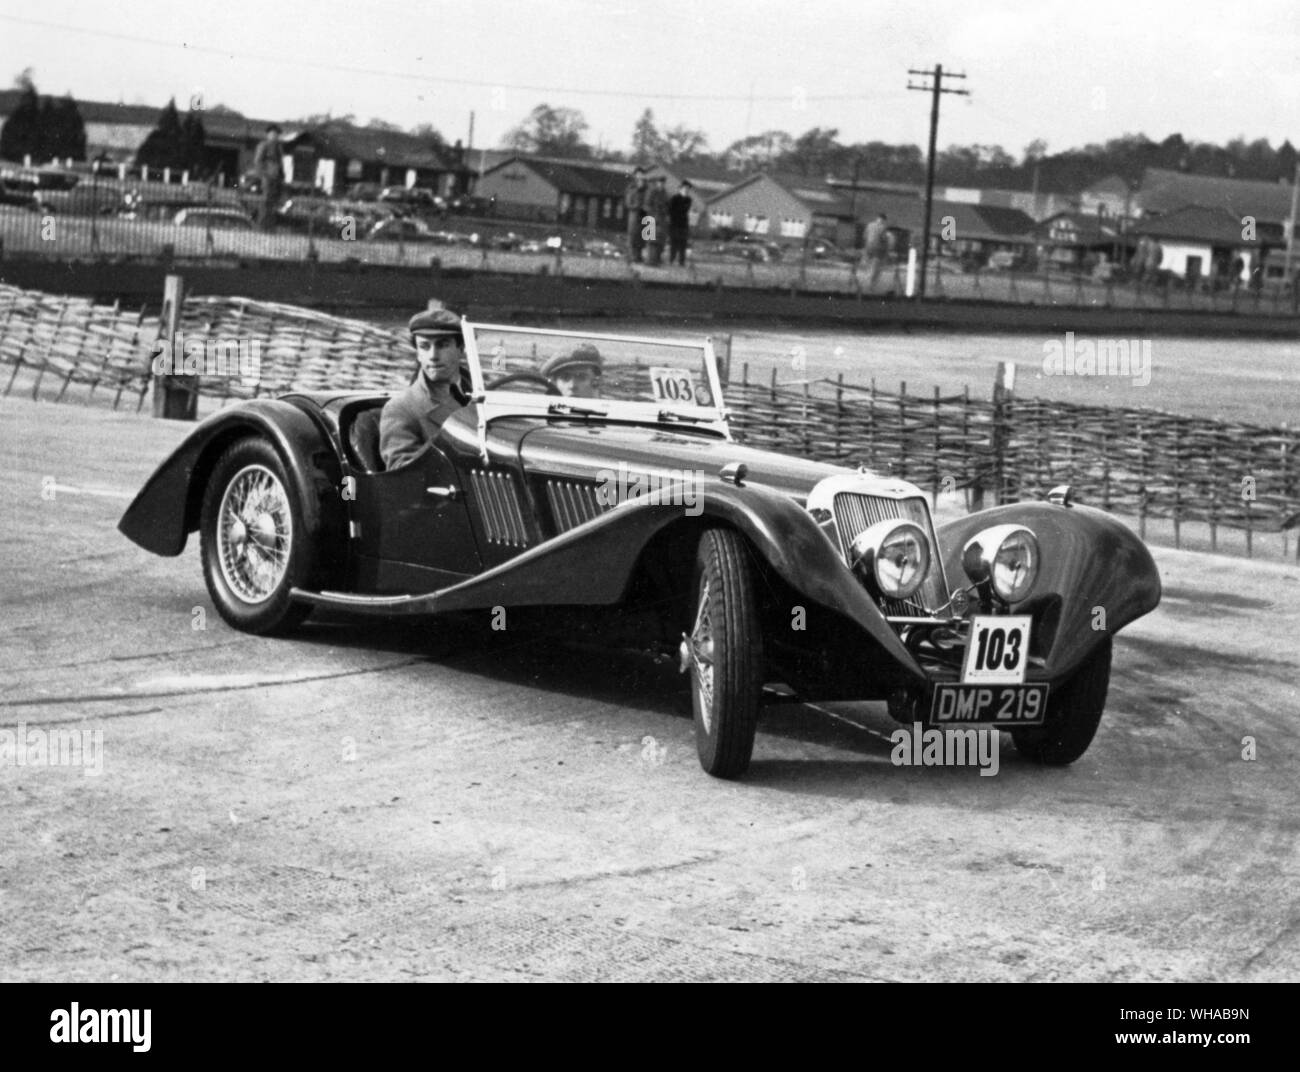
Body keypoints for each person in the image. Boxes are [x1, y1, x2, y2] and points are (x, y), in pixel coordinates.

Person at [379, 306, 467, 470]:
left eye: (442, 345)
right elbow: (402, 471)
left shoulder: (482, 396)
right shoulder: (401, 408)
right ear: (418, 353)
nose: (433, 356)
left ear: (460, 349)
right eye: (425, 346)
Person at [252, 124, 284, 232]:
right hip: (267, 178)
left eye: (277, 134)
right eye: (273, 134)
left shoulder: (278, 147)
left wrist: (281, 175)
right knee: (265, 202)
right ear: (268, 134)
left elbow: (280, 163)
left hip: (276, 178)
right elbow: (258, 161)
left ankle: (270, 227)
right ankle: (261, 227)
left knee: (273, 203)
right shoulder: (263, 145)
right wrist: (264, 175)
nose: (275, 136)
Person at [624, 168, 648, 263]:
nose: (640, 176)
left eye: (642, 174)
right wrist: (637, 206)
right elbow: (628, 203)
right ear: (635, 175)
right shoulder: (631, 188)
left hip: (645, 215)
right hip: (634, 215)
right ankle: (632, 257)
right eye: (638, 174)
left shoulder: (647, 188)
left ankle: (639, 256)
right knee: (633, 237)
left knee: (642, 238)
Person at [644, 175, 669, 266]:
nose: (661, 184)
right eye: (660, 182)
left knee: (659, 241)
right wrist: (654, 211)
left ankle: (656, 260)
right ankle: (649, 260)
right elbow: (646, 205)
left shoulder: (665, 193)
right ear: (657, 183)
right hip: (651, 218)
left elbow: (667, 206)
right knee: (650, 241)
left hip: (661, 220)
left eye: (663, 183)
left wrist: (664, 210)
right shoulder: (652, 192)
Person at [668, 180, 693, 266]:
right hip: (674, 224)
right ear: (680, 189)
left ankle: (681, 262)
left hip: (683, 224)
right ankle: (671, 260)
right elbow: (671, 211)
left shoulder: (688, 199)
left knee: (683, 243)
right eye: (684, 188)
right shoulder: (674, 198)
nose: (686, 190)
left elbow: (684, 210)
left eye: (688, 189)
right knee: (674, 243)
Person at [862, 212, 889, 289]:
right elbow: (884, 239)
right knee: (876, 268)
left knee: (869, 266)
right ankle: (871, 284)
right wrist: (886, 250)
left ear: (877, 218)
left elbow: (864, 236)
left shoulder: (869, 225)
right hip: (878, 250)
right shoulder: (882, 227)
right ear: (884, 220)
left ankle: (866, 282)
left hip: (868, 248)